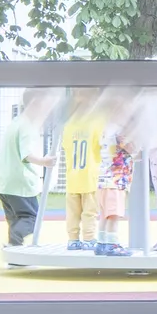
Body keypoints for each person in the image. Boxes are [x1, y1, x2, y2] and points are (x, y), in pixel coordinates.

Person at [0, 96, 51, 246]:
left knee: (15, 220)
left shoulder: (15, 122)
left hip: (3, 182)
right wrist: (45, 161)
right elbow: (27, 154)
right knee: (32, 218)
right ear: (36, 103)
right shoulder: (27, 126)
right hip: (19, 182)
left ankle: (14, 255)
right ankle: (13, 244)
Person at [60, 103, 104, 249]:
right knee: (90, 211)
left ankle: (72, 240)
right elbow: (102, 144)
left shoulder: (68, 126)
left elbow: (65, 146)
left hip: (72, 176)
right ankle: (89, 238)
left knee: (72, 212)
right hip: (90, 176)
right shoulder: (97, 123)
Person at [97, 129, 133, 255]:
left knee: (105, 214)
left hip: (104, 180)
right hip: (115, 181)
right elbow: (131, 148)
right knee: (114, 215)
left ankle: (101, 243)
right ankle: (112, 244)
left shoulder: (106, 129)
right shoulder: (119, 129)